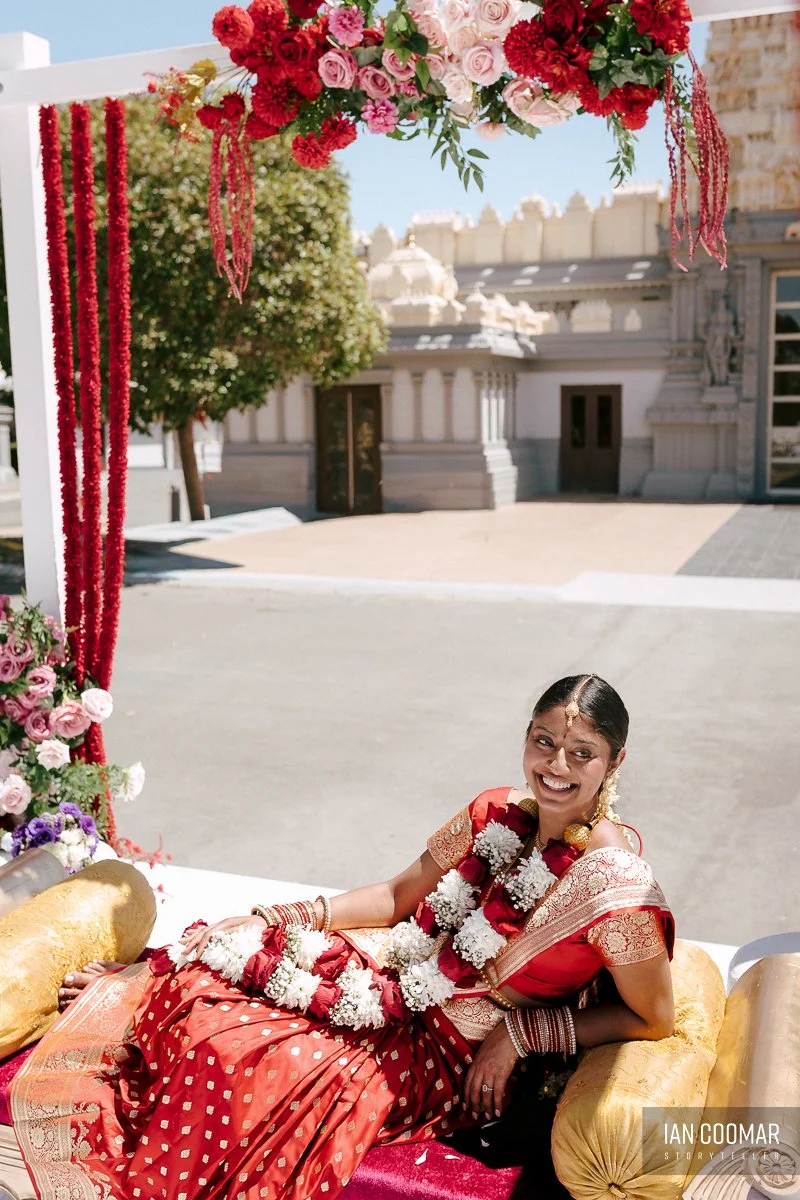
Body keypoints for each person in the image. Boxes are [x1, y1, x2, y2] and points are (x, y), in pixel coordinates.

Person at [13, 674, 675, 1200]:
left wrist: (522, 1034)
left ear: (615, 761)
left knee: (246, 1054)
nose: (556, 765)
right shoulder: (494, 811)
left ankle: (131, 1016)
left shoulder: (616, 884)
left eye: (581, 753)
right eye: (543, 741)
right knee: (212, 967)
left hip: (452, 1057)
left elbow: (653, 1016)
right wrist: (279, 916)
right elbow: (396, 897)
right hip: (398, 984)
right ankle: (128, 999)